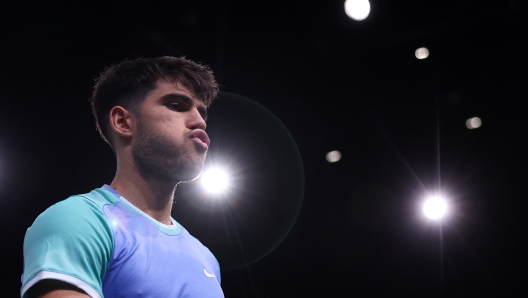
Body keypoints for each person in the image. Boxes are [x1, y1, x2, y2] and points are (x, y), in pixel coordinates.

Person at [20, 57, 224, 298]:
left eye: (202, 113)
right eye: (177, 105)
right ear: (122, 121)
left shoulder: (206, 258)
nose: (199, 121)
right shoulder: (79, 220)